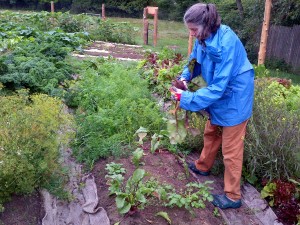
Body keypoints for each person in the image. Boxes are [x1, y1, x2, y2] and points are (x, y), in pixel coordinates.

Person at [170, 3, 254, 209]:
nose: (191, 34)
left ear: (206, 25)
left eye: (193, 30)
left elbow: (218, 88)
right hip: (220, 92)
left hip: (235, 95)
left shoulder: (226, 43)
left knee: (231, 149)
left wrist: (186, 98)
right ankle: (203, 166)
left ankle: (233, 197)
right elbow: (194, 60)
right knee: (212, 130)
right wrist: (185, 76)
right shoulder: (203, 38)